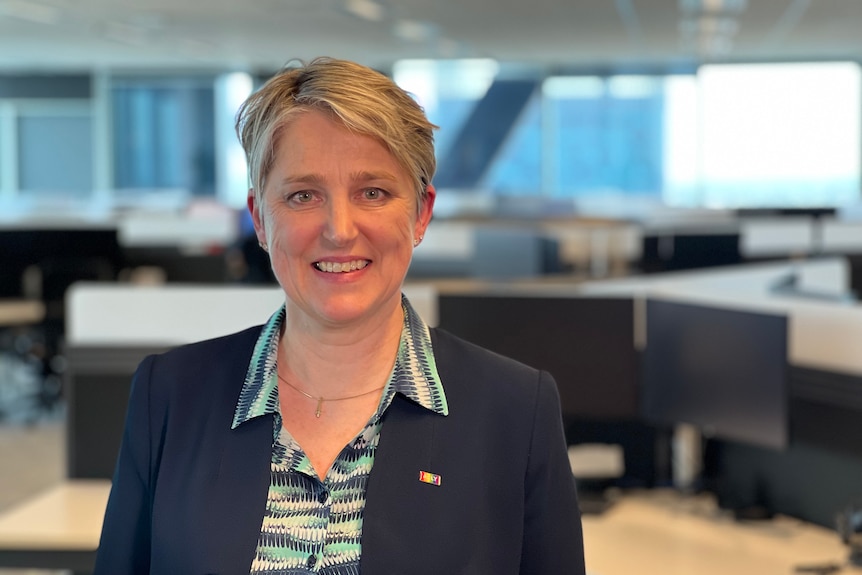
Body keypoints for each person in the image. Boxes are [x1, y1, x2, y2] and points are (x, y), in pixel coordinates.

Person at [93, 57, 585, 575]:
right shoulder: (169, 394)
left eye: (372, 193)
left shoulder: (514, 408)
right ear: (260, 218)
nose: (339, 229)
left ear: (420, 213)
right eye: (303, 195)